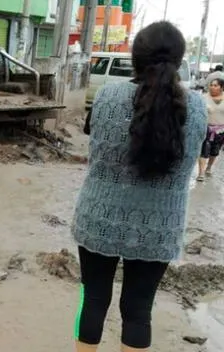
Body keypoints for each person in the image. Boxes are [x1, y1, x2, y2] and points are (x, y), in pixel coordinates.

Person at [72, 21, 207, 352]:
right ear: (178, 60)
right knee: (138, 312)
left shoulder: (106, 96)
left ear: (135, 57)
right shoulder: (198, 108)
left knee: (93, 300)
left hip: (99, 216)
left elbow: (93, 141)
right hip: (159, 226)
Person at [197, 78, 224, 181]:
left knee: (214, 151)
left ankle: (209, 167)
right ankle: (201, 173)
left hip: (220, 131)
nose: (212, 87)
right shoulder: (203, 98)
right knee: (204, 150)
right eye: (211, 85)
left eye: (216, 85)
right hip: (206, 129)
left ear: (222, 87)